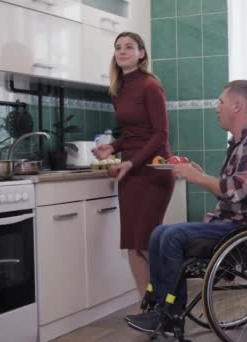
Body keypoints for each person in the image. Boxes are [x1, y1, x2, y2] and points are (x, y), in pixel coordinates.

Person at [125, 80, 247, 335]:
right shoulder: (240, 142)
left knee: (171, 236)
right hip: (231, 224)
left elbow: (238, 191)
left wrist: (196, 177)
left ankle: (169, 317)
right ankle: (158, 310)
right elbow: (233, 187)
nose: (216, 108)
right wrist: (200, 175)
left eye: (220, 102)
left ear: (237, 106)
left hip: (244, 229)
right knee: (158, 233)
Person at [92, 32, 174, 299]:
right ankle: (147, 305)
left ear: (141, 54)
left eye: (129, 47)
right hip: (130, 171)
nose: (122, 51)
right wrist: (113, 147)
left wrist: (130, 162)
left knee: (147, 243)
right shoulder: (119, 89)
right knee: (132, 243)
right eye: (118, 47)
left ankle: (169, 301)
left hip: (152, 173)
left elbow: (160, 134)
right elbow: (132, 133)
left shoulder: (151, 86)